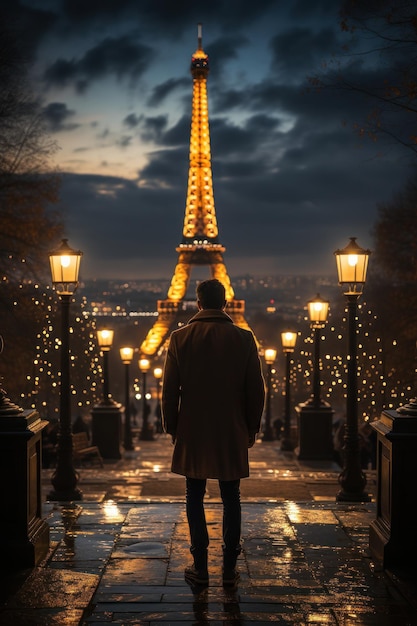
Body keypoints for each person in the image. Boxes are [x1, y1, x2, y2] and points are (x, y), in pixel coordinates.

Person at [161, 278, 265, 587]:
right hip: (231, 428)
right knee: (231, 497)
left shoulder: (179, 338)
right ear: (225, 303)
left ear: (198, 303)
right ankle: (230, 568)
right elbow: (255, 391)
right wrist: (252, 426)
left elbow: (169, 392)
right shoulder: (244, 339)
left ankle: (200, 564)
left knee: (194, 495)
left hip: (193, 429)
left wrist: (172, 427)